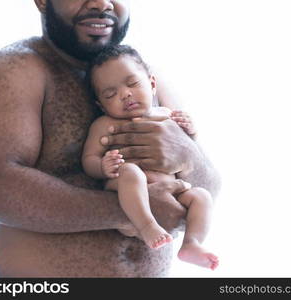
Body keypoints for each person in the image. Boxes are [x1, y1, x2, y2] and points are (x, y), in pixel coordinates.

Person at [0, 0, 220, 277]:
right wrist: (130, 211)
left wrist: (188, 155)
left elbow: (209, 188)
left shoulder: (143, 77)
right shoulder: (13, 70)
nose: (101, 3)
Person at [82, 45, 219, 270]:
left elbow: (188, 148)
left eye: (133, 84)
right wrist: (102, 167)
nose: (125, 94)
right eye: (110, 94)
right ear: (101, 105)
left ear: (152, 84)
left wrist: (190, 130)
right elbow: (89, 158)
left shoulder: (166, 114)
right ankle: (147, 225)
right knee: (131, 171)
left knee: (202, 196)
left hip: (172, 187)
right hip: (128, 186)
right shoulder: (105, 125)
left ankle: (191, 244)